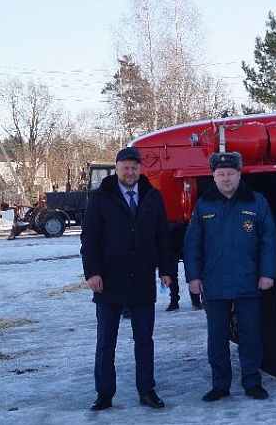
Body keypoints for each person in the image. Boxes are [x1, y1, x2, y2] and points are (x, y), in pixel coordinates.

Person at [81, 146, 175, 411]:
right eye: (125, 167)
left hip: (142, 280)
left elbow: (162, 238)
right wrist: (93, 272)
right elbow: (89, 240)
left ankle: (147, 390)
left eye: (135, 167)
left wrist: (166, 270)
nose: (130, 172)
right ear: (117, 168)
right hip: (108, 281)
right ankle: (104, 393)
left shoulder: (152, 197)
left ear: (140, 169)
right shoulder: (101, 198)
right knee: (106, 343)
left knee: (144, 341)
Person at [183, 152, 276, 402]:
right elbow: (193, 244)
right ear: (213, 176)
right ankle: (220, 384)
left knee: (250, 335)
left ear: (239, 174)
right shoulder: (204, 205)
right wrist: (193, 277)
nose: (226, 178)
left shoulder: (256, 202)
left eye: (231, 173)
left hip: (248, 281)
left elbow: (269, 240)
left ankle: (252, 382)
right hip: (214, 282)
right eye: (221, 174)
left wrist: (267, 273)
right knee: (217, 337)